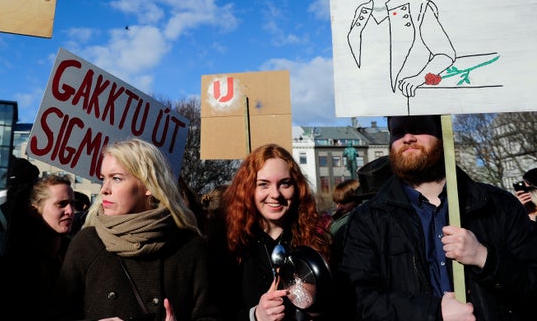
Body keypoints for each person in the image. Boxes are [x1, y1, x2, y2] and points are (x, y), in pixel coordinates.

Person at [339, 115, 537, 320]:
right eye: (397, 132)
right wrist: (433, 312)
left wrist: (484, 257)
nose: (407, 137)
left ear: (443, 135)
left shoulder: (497, 205)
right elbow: (359, 301)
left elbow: (532, 284)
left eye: (418, 128)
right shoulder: (368, 220)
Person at [54, 138, 219, 320]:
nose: (104, 190)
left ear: (148, 185)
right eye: (103, 179)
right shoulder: (86, 244)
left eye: (116, 178)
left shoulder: (188, 246)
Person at [210, 143, 332, 321]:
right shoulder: (226, 244)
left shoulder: (316, 239)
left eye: (284, 183)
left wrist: (319, 307)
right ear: (248, 189)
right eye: (263, 184)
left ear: (297, 188)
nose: (275, 194)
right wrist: (255, 316)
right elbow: (214, 312)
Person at [347, 0, 456, 113]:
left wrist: (420, 77)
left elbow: (445, 53)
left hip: (408, 100)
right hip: (370, 103)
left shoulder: (418, 7)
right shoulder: (361, 11)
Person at [3, 174, 75, 319]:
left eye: (73, 204)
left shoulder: (77, 252)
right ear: (34, 209)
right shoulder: (17, 263)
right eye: (61, 204)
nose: (70, 211)